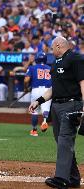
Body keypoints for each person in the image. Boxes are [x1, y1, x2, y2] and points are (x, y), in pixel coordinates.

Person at [29, 36, 84, 189]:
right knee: (61, 141)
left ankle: (61, 179)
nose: (51, 50)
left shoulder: (76, 58)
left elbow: (83, 82)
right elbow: (54, 89)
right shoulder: (55, 64)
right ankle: (73, 177)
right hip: (57, 106)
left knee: (65, 139)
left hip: (71, 104)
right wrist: (38, 101)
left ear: (59, 46)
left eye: (52, 47)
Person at [24, 52, 52, 136]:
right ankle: (44, 122)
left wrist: (26, 88)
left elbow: (26, 80)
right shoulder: (50, 68)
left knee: (34, 110)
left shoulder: (32, 68)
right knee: (46, 109)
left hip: (36, 89)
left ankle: (34, 130)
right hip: (48, 90)